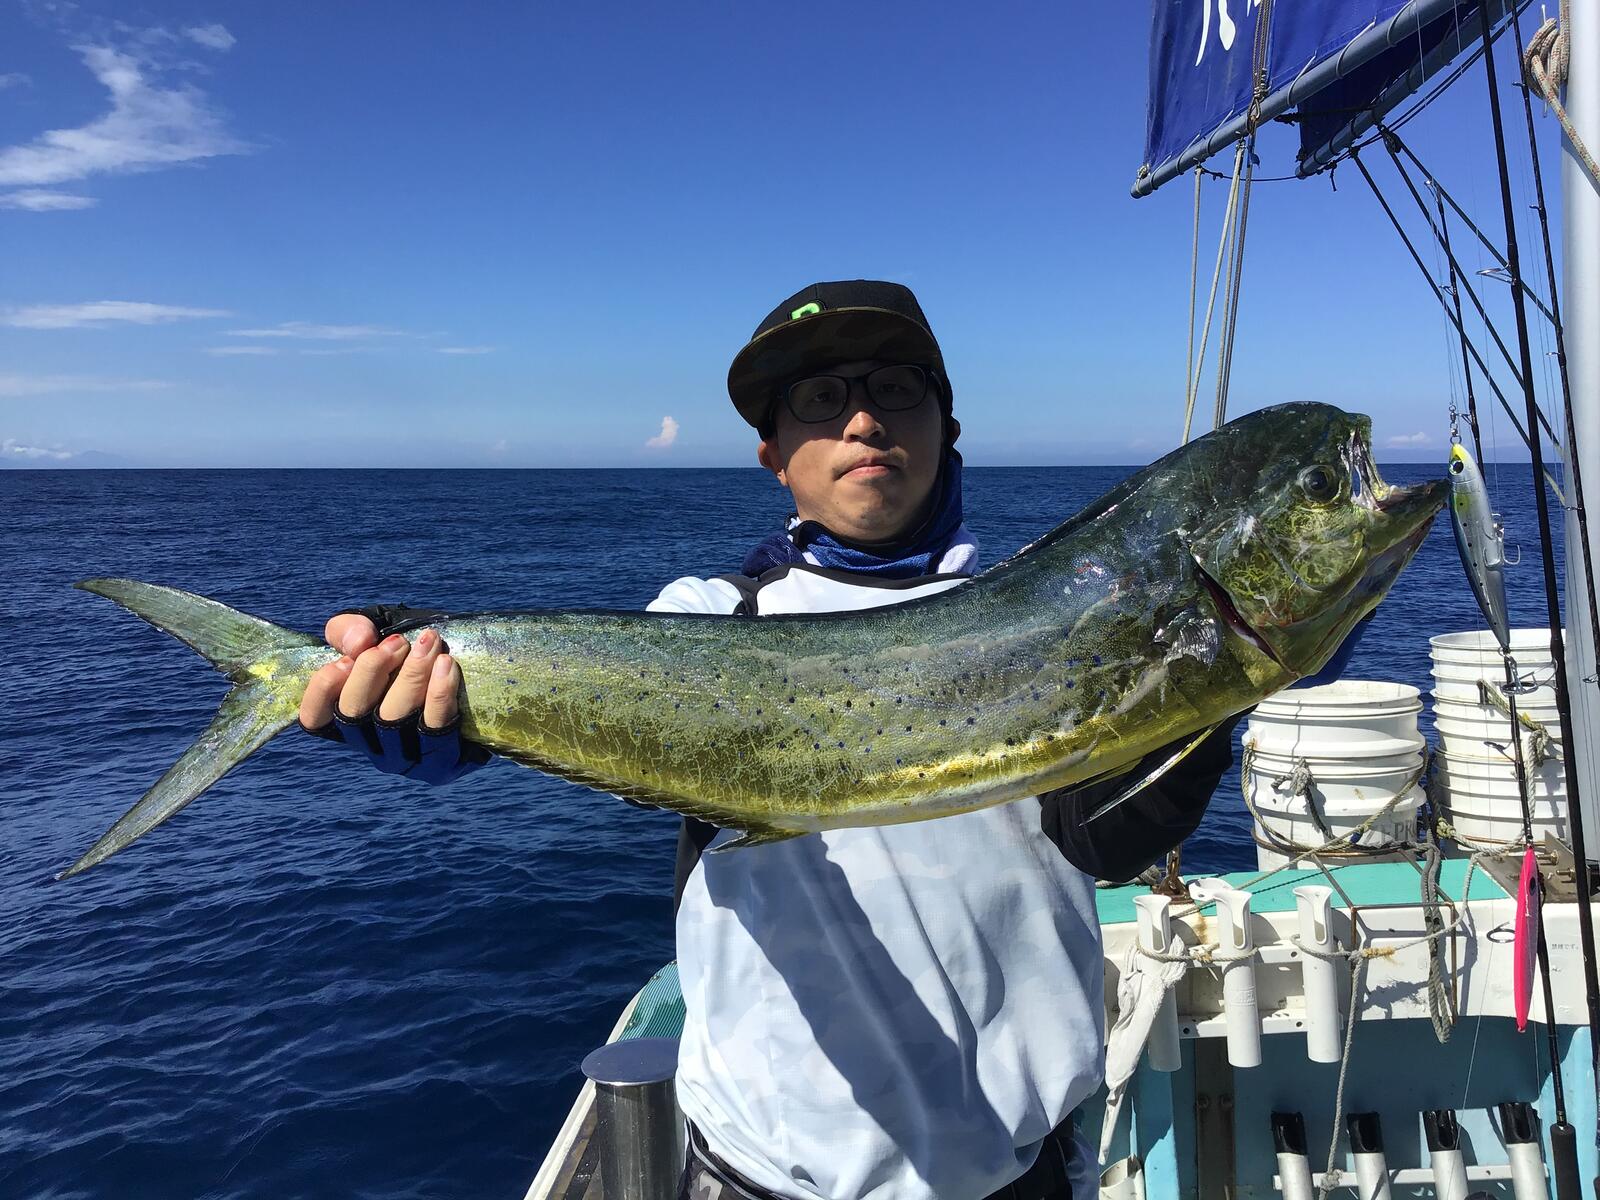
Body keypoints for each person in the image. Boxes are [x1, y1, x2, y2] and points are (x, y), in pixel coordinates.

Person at [297, 281, 1241, 1200]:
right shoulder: (711, 617)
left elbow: (1106, 840)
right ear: (774, 456)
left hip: (1020, 1171)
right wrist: (430, 682)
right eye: (819, 398)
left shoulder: (1047, 623)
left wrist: (1206, 689)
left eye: (896, 388)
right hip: (763, 1177)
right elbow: (595, 684)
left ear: (946, 428)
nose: (863, 421)